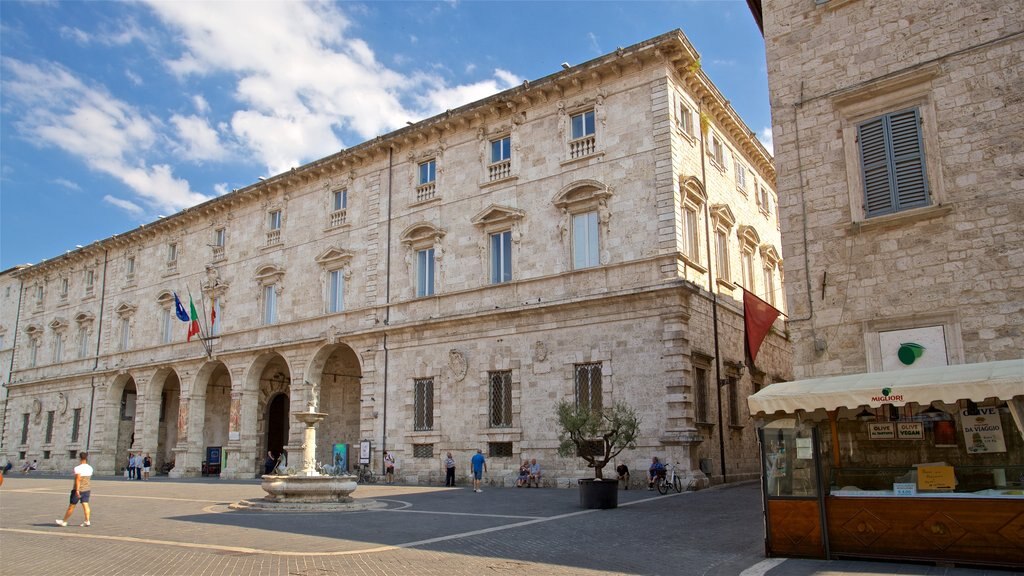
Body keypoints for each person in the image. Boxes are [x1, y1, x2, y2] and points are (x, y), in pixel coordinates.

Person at [56, 452, 93, 527]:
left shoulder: (78, 468)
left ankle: (64, 521)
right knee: (85, 504)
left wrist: (77, 490)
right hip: (87, 489)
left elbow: (78, 479)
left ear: (80, 458)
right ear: (86, 458)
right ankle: (87, 521)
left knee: (71, 506)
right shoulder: (90, 468)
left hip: (78, 490)